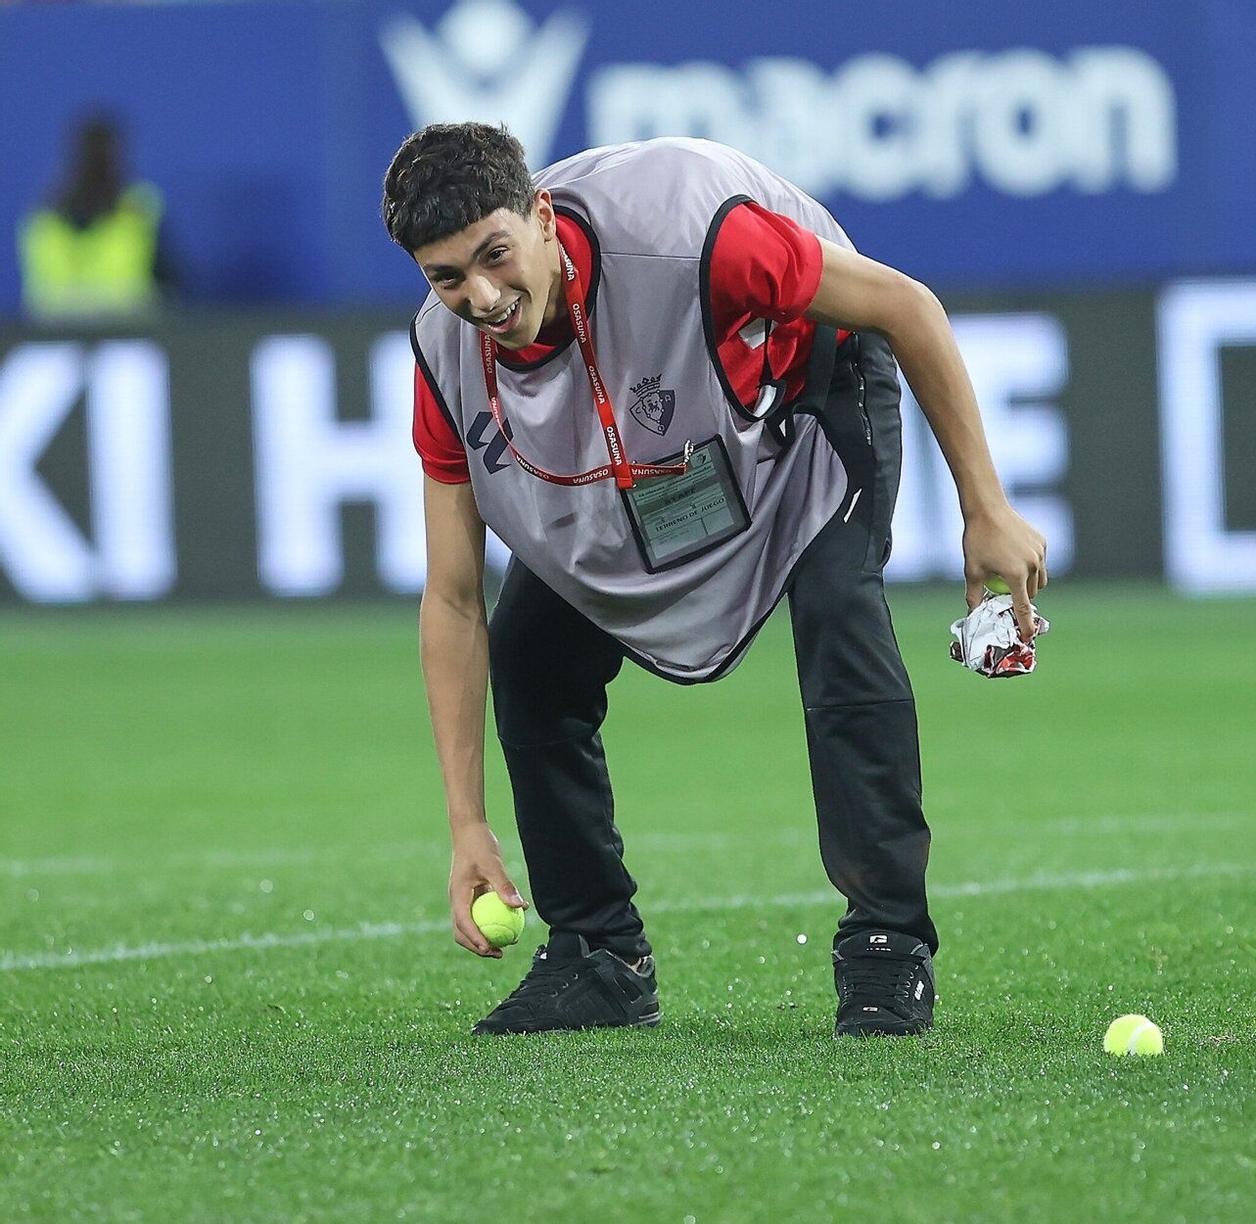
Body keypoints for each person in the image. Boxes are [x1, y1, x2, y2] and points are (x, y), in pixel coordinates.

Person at [380, 123, 1046, 1038]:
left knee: (838, 613)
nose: (482, 297)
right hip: (662, 454)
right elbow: (454, 599)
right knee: (530, 654)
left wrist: (986, 506)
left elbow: (908, 307)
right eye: (447, 277)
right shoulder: (443, 355)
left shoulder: (693, 235)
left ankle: (888, 945)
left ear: (541, 217)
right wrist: (466, 826)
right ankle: (597, 956)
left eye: (494, 256)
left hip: (805, 393)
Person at [18, 113, 174, 321]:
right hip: (57, 336)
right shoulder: (45, 220)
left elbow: (169, 281)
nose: (97, 162)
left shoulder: (140, 209)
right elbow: (40, 298)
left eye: (103, 155)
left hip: (127, 332)